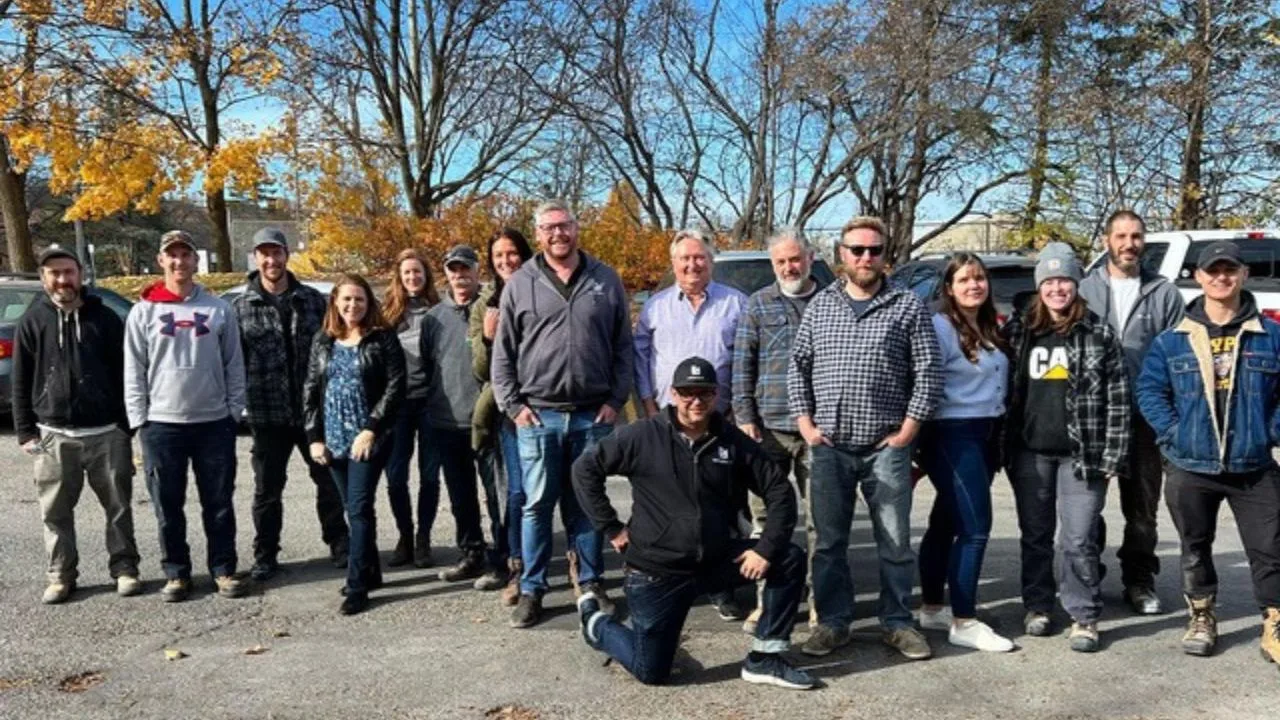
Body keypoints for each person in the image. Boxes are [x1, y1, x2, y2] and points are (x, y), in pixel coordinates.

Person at [572, 357, 816, 690]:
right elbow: (585, 470)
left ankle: (765, 658)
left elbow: (779, 491)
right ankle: (596, 624)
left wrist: (765, 548)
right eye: (687, 393)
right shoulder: (642, 435)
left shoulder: (730, 440)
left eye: (705, 393)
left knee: (787, 557)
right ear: (673, 394)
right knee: (651, 672)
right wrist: (611, 527)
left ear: (716, 395)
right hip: (657, 571)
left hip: (713, 561)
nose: (696, 401)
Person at [786, 216, 942, 661]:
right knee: (828, 544)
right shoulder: (821, 305)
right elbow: (798, 367)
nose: (866, 257)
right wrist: (806, 425)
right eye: (857, 250)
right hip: (829, 447)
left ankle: (898, 622)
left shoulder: (907, 305)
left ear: (884, 255)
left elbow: (929, 371)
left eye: (874, 250)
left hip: (885, 447)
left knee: (894, 543)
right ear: (842, 254)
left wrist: (908, 430)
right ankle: (834, 623)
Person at [491, 200, 634, 628]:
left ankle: (590, 583)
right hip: (539, 416)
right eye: (549, 227)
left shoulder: (605, 279)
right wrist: (514, 406)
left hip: (592, 414)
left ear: (576, 228)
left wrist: (615, 399)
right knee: (536, 505)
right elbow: (503, 353)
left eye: (564, 225)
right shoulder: (521, 283)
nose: (558, 234)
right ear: (538, 234)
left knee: (587, 503)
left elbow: (623, 347)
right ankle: (533, 589)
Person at [1135, 240, 1280, 662]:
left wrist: (1268, 432)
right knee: (1195, 547)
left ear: (1243, 275)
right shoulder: (1172, 340)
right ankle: (1201, 615)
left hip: (1253, 465)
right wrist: (1175, 434)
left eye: (1229, 270)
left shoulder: (1271, 336)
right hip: (1190, 464)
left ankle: (1274, 621)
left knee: (1271, 548)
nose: (1221, 277)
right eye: (1212, 270)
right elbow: (1150, 391)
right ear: (1198, 277)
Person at [1002, 242, 1130, 653]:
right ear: (1039, 285)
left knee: (1078, 538)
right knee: (1035, 536)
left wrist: (1113, 454)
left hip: (1083, 454)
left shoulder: (1099, 332)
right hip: (1030, 452)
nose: (1057, 288)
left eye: (1065, 280)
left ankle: (1084, 615)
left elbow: (1119, 399)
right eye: (1049, 281)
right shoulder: (1019, 331)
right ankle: (1038, 606)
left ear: (1077, 284)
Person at [12, 245, 140, 604]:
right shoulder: (33, 321)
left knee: (118, 508)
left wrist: (126, 426)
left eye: (68, 272)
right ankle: (61, 576)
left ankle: (125, 568)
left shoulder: (105, 319)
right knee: (54, 512)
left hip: (106, 433)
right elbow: (21, 379)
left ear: (80, 274)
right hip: (54, 435)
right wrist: (25, 432)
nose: (62, 280)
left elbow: (126, 373)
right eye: (54, 273)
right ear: (44, 278)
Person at [125, 230, 247, 602]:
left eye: (186, 254)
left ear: (196, 260)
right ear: (161, 260)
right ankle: (176, 573)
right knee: (168, 506)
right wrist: (140, 420)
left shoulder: (218, 309)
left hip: (213, 423)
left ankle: (223, 569)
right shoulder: (144, 311)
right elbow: (134, 369)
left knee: (219, 503)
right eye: (172, 255)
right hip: (162, 425)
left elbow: (234, 364)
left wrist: (233, 411)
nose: (179, 261)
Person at [633, 227, 748, 621]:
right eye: (684, 258)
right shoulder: (656, 307)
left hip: (721, 421)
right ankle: (672, 582)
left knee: (722, 508)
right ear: (673, 263)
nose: (692, 264)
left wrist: (737, 411)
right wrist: (648, 404)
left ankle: (722, 585)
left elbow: (747, 360)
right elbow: (641, 358)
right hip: (668, 422)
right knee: (672, 504)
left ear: (711, 261)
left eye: (699, 257)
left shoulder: (736, 304)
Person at [1078, 210, 1183, 615]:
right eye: (1120, 236)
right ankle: (1090, 577)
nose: (1129, 244)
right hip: (1094, 417)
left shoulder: (1164, 293)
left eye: (1136, 236)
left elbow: (1177, 357)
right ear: (1107, 240)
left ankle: (1139, 580)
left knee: (1142, 510)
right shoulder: (1084, 289)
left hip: (1143, 416)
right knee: (1087, 507)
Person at [233, 227, 350, 582]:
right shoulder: (240, 307)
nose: (271, 260)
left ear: (286, 255)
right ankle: (265, 554)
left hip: (312, 411)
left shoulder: (313, 300)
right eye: (264, 254)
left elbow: (333, 349)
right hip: (266, 413)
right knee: (267, 490)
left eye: (277, 252)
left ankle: (339, 543)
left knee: (328, 481)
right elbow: (234, 361)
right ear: (256, 258)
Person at [914, 254, 1014, 652]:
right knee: (975, 529)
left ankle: (932, 607)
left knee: (945, 522)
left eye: (980, 278)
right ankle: (965, 621)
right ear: (949, 288)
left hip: (988, 433)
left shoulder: (989, 326)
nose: (974, 285)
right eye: (964, 280)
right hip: (953, 433)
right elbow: (923, 382)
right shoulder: (939, 327)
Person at [732, 228, 827, 632]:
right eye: (781, 261)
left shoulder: (832, 301)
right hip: (768, 429)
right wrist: (744, 416)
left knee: (822, 523)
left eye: (795, 259)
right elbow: (743, 363)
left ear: (809, 258)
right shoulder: (758, 303)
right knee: (767, 520)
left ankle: (821, 602)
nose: (789, 267)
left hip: (819, 430)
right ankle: (766, 602)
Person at [303, 274, 406, 615]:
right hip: (333, 441)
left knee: (359, 509)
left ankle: (357, 585)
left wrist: (371, 428)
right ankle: (371, 570)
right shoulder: (323, 339)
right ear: (335, 301)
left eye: (359, 299)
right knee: (353, 509)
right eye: (346, 299)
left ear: (368, 302)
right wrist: (314, 437)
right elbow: (310, 389)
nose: (352, 305)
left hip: (368, 440)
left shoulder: (382, 338)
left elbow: (395, 386)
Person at [418, 245, 491, 583]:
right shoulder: (434, 318)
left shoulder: (491, 307)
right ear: (446, 274)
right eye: (453, 269)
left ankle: (504, 556)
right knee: (461, 496)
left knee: (497, 494)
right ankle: (472, 552)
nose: (460, 275)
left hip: (486, 420)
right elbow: (426, 365)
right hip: (446, 421)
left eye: (465, 268)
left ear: (477, 271)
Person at [469, 228, 535, 602]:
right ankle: (517, 567)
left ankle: (578, 567)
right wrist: (488, 338)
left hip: (550, 404)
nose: (506, 261)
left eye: (512, 253)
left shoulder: (542, 292)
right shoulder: (485, 305)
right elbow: (480, 370)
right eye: (498, 255)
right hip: (510, 413)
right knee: (517, 493)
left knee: (565, 492)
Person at [381, 249, 442, 568]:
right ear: (399, 277)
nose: (412, 277)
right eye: (407, 273)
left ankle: (423, 539)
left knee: (430, 476)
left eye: (417, 272)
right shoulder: (387, 314)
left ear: (426, 275)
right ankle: (405, 535)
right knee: (395, 477)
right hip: (399, 404)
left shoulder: (438, 311)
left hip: (431, 403)